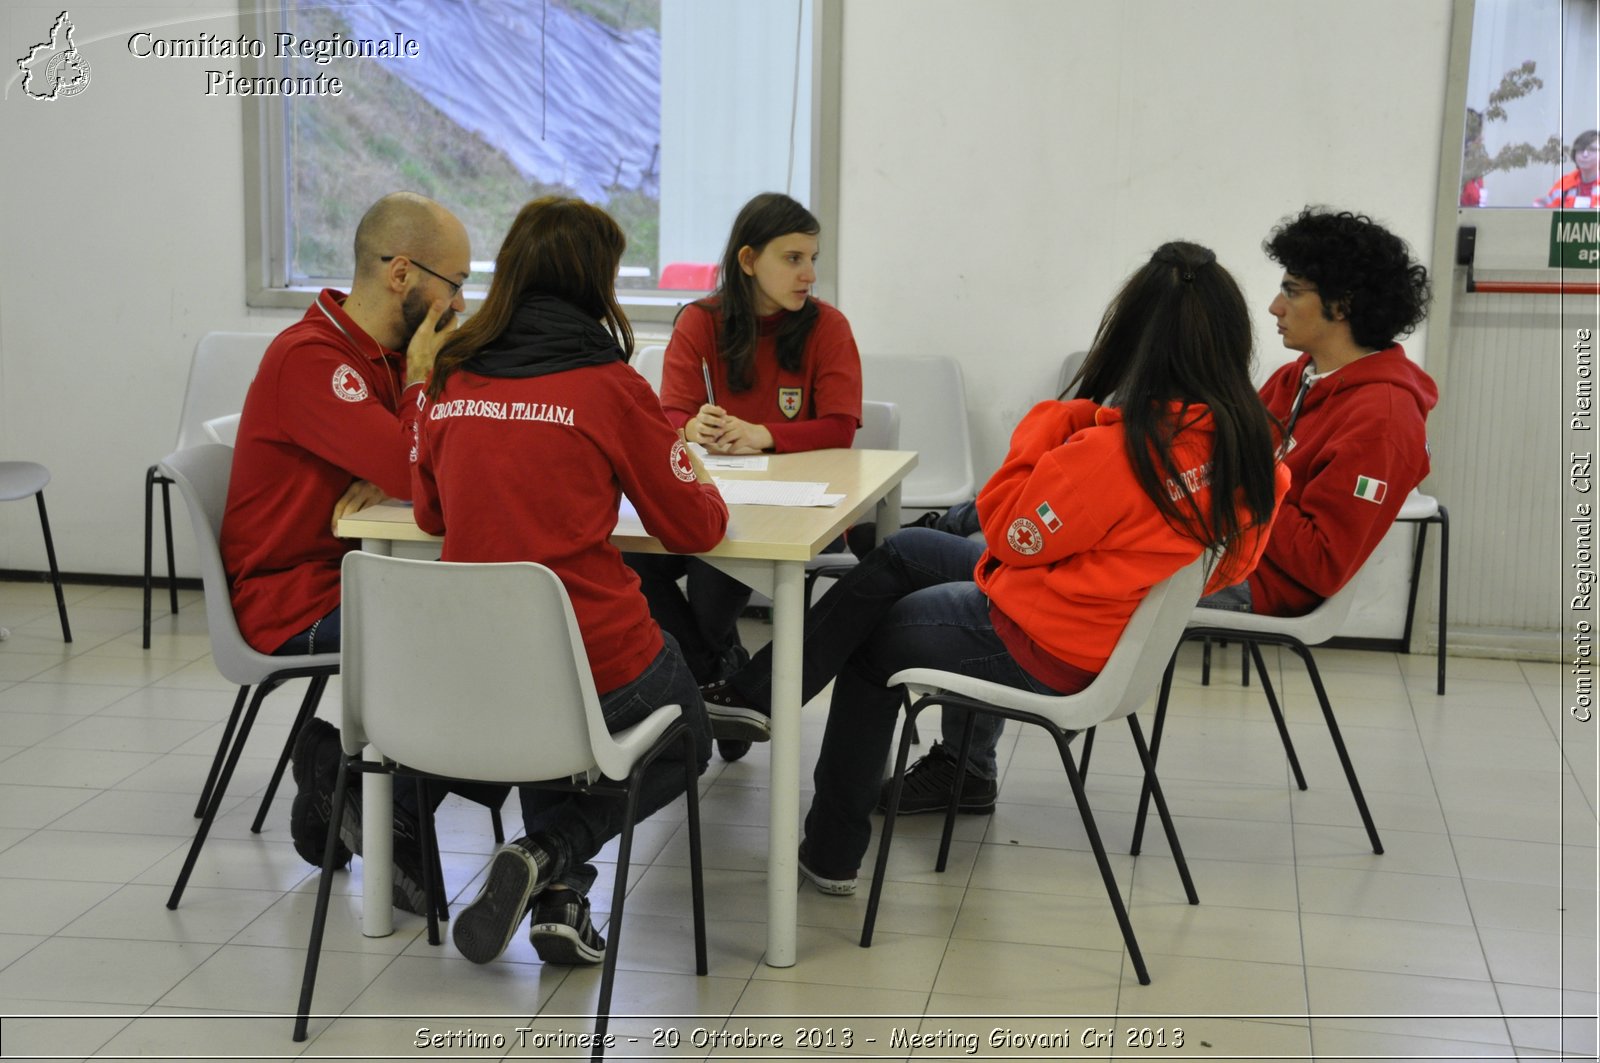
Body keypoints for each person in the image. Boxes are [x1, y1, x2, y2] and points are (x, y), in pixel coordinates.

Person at [704, 241, 1288, 893]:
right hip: (1111, 631)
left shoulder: (1113, 453)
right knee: (904, 553)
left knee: (874, 642)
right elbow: (1234, 564)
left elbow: (1008, 532)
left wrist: (1051, 422)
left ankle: (830, 850)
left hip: (1047, 642)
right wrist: (1117, 568)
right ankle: (761, 694)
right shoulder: (1253, 447)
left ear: (1134, 341)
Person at [411, 196, 724, 967]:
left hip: (476, 671)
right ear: (596, 284)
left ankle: (561, 906)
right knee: (689, 735)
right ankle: (551, 852)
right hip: (594, 659)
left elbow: (427, 512)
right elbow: (696, 527)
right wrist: (694, 469)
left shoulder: (453, 376)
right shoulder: (609, 384)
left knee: (547, 720)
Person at [222, 191, 474, 911]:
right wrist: (418, 398)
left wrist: (409, 436)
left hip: (363, 576)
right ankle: (370, 794)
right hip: (291, 598)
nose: (458, 304)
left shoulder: (382, 354)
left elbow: (441, 456)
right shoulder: (313, 359)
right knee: (473, 638)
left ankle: (343, 799)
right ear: (402, 274)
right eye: (453, 284)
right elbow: (420, 469)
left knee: (484, 625)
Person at [626, 193, 862, 725]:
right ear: (749, 260)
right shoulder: (700, 321)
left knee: (716, 568)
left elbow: (841, 428)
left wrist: (764, 435)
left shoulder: (828, 327)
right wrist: (690, 427)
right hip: (709, 499)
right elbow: (665, 418)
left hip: (787, 509)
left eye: (813, 259)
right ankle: (717, 676)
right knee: (631, 557)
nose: (808, 274)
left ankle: (705, 681)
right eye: (793, 258)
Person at [1200, 206, 1436, 618]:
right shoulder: (1298, 377)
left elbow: (1322, 564)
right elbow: (1227, 455)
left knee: (1094, 586)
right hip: (1225, 549)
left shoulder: (1383, 418)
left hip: (1262, 583)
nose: (1275, 306)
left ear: (1342, 305)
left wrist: (1239, 479)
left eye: (1291, 291)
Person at [1534, 129, 1598, 209]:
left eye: (1592, 150)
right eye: (1580, 149)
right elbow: (1542, 209)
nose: (1585, 154)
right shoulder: (1565, 183)